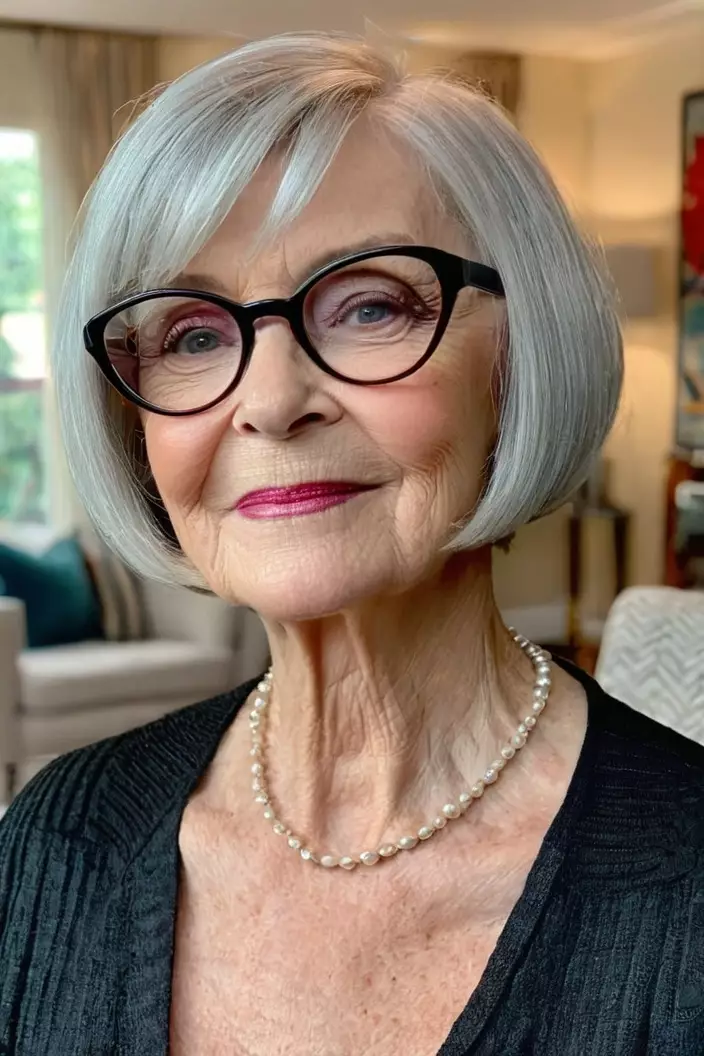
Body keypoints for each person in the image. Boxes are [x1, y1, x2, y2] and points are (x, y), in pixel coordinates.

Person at [1, 31, 703, 1056]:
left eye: (370, 305)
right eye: (193, 335)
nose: (272, 401)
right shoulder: (50, 842)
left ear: (519, 357)